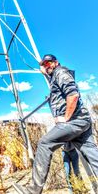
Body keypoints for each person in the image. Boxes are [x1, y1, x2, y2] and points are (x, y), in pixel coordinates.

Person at [23, 54, 98, 194]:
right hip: (82, 121)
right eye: (44, 64)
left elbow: (73, 94)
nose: (46, 66)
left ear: (56, 62)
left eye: (48, 63)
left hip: (74, 121)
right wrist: (44, 72)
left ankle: (33, 191)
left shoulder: (61, 72)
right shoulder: (54, 76)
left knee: (44, 143)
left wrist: (66, 117)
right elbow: (52, 78)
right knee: (93, 156)